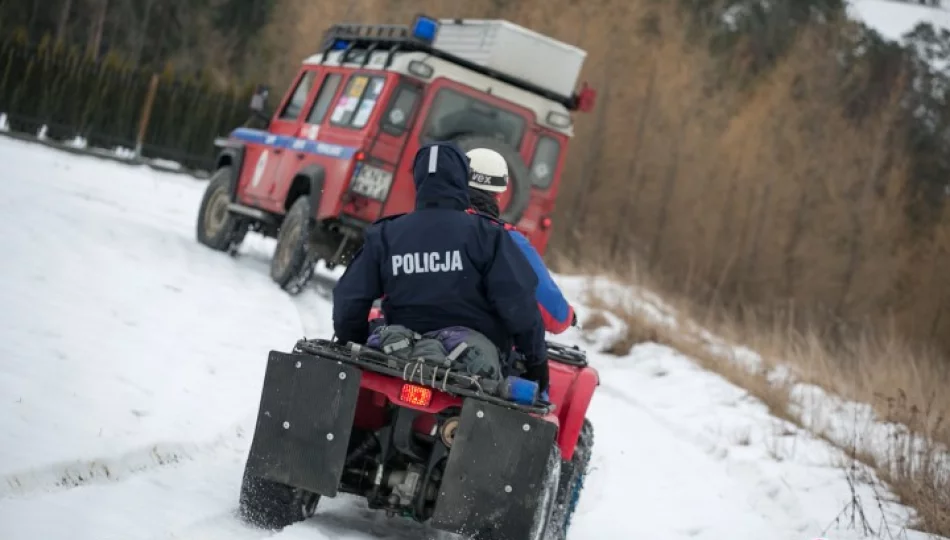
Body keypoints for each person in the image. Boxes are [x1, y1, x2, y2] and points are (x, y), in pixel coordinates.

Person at [332, 142, 550, 391]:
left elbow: (349, 297)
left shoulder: (387, 234)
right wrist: (536, 361)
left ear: (418, 178)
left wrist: (352, 339)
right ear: (462, 180)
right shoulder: (488, 237)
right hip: (470, 372)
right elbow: (519, 304)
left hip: (397, 358)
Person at [464, 148, 578, 334]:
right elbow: (556, 316)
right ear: (499, 195)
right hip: (468, 352)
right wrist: (569, 316)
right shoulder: (510, 243)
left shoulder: (411, 225)